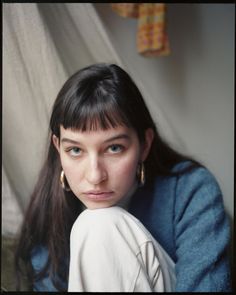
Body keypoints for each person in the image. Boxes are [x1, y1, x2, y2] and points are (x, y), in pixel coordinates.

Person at [14, 63, 231, 292]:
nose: (95, 175)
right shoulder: (50, 207)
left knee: (98, 223)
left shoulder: (191, 189)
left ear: (144, 145)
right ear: (58, 148)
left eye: (114, 148)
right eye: (75, 150)